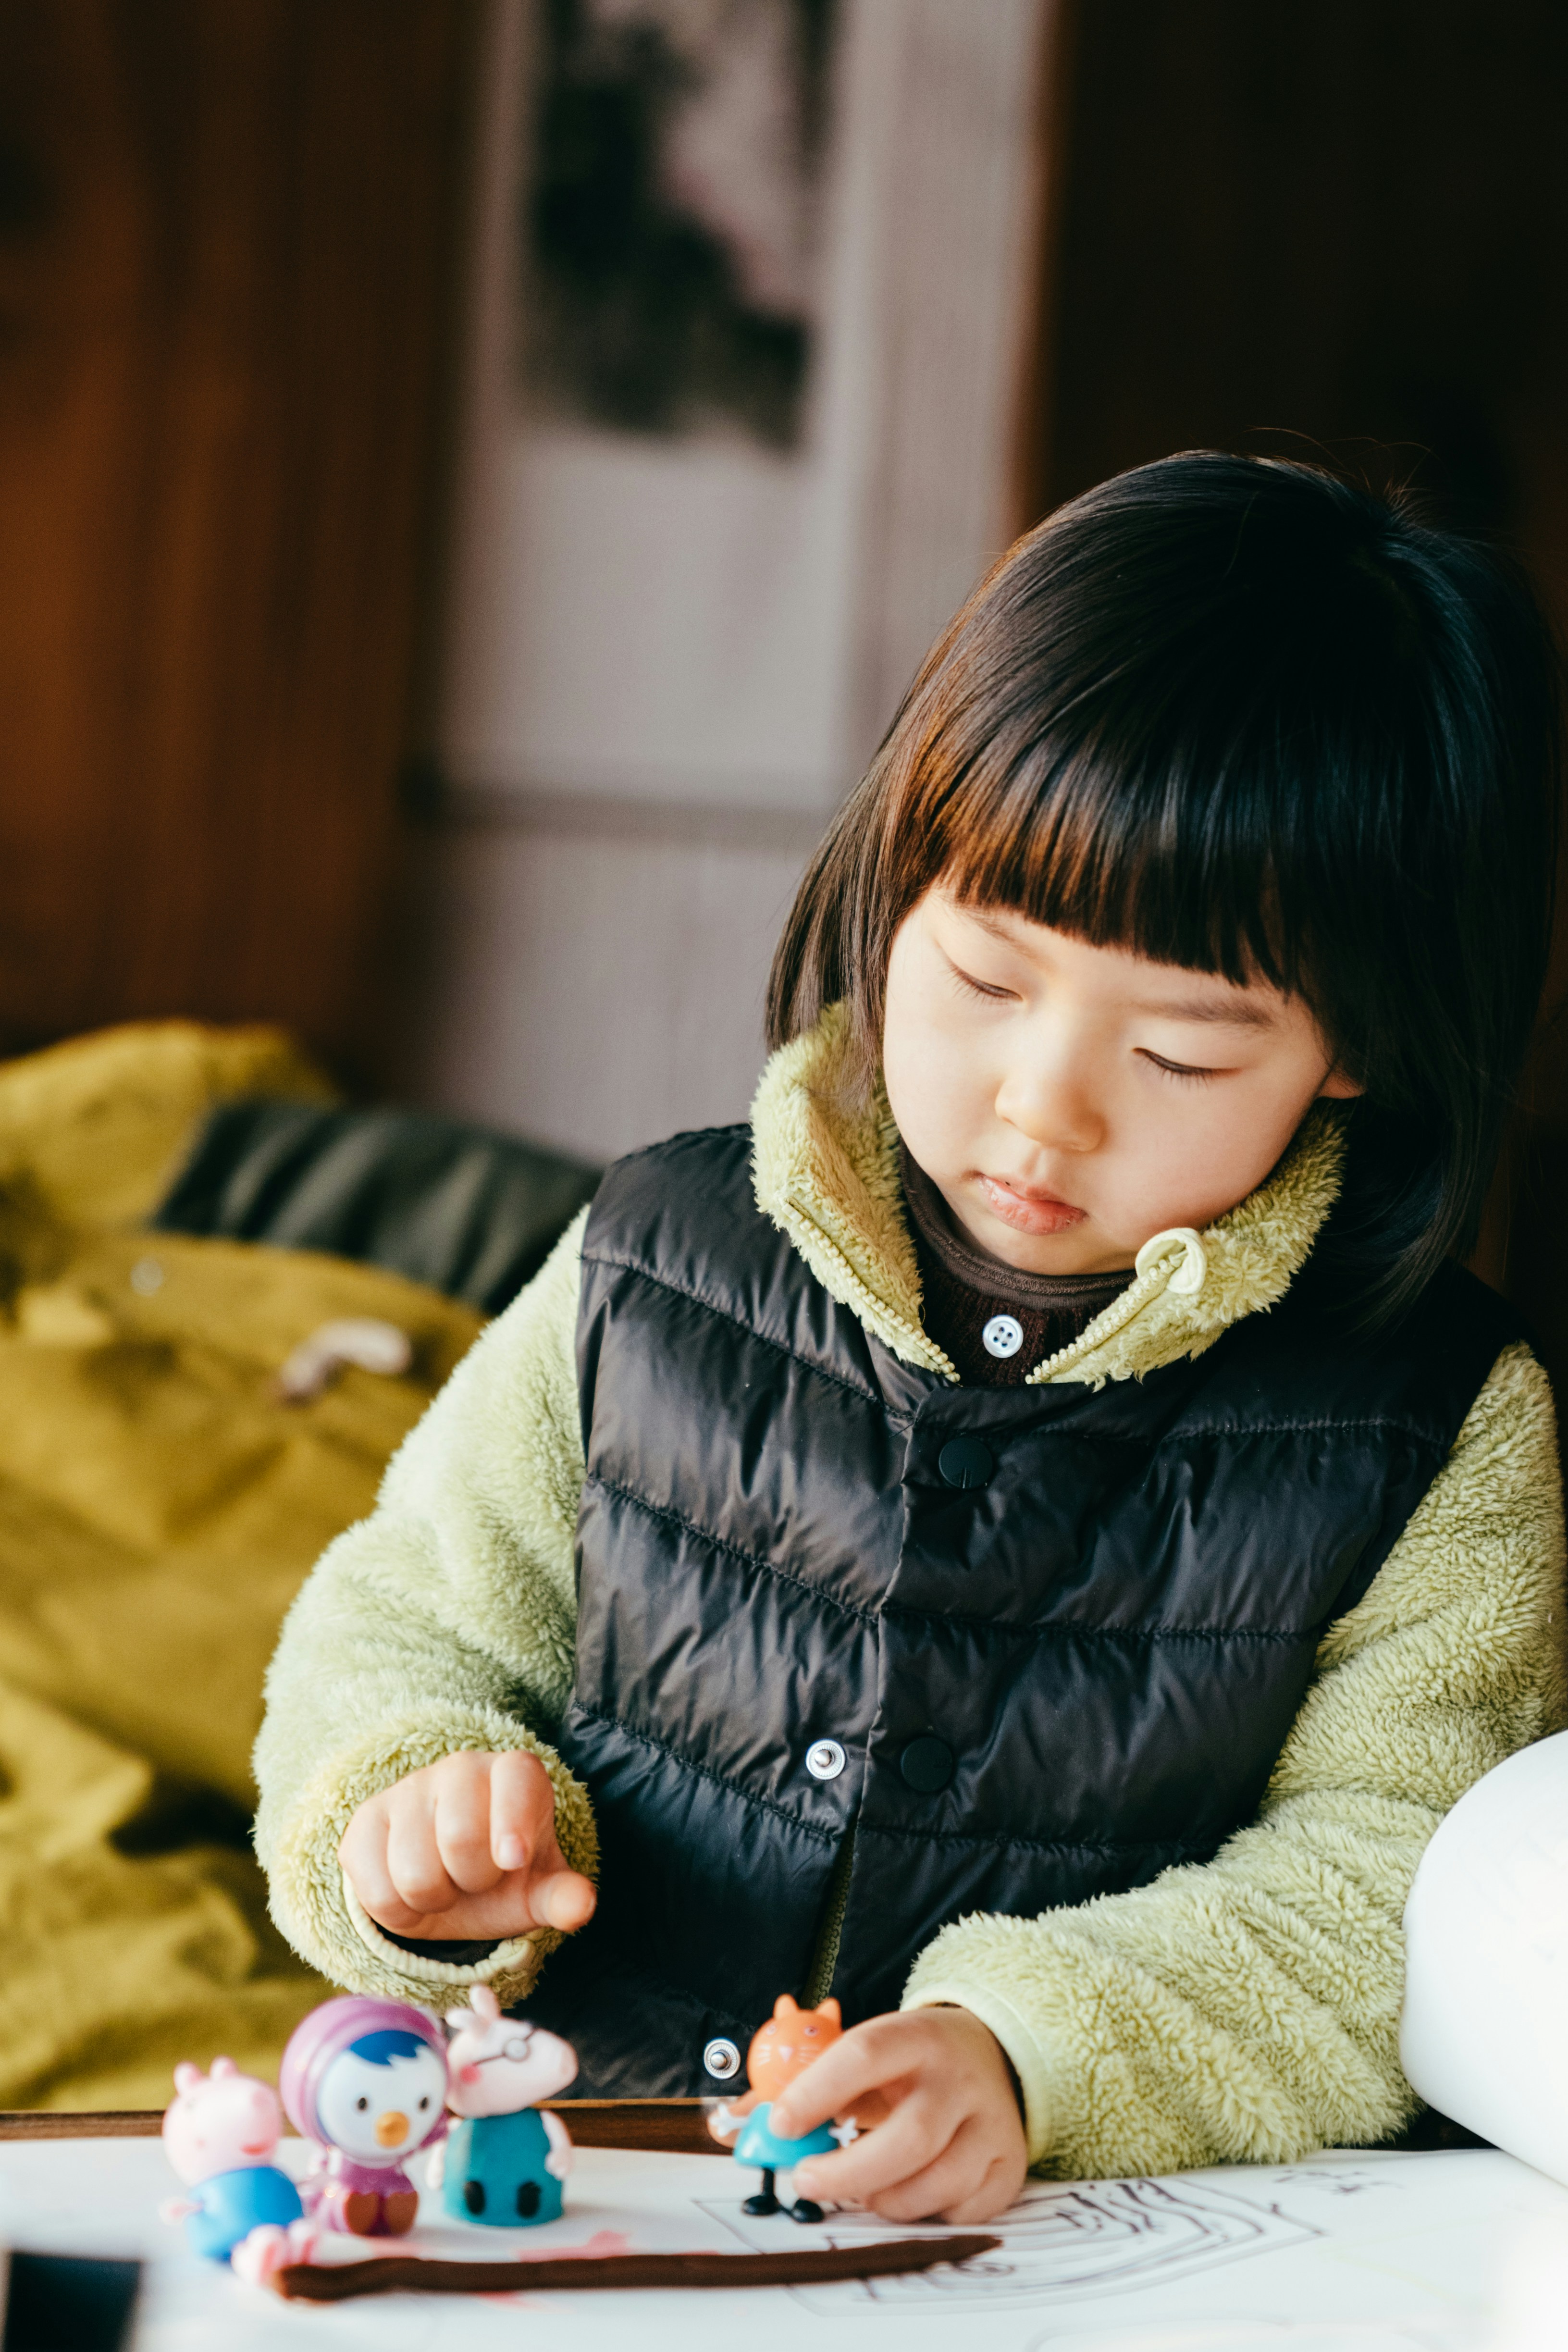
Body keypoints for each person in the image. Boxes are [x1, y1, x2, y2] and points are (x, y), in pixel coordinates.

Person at [256, 454, 1567, 2227]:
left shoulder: (1444, 1423)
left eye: (1178, 1055)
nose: (1044, 1112)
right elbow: (405, 1614)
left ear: (1360, 1046)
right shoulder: (660, 1252)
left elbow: (1386, 1890)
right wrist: (400, 1817)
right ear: (900, 880)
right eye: (986, 981)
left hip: (1084, 2261)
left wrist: (1029, 2051)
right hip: (574, 2190)